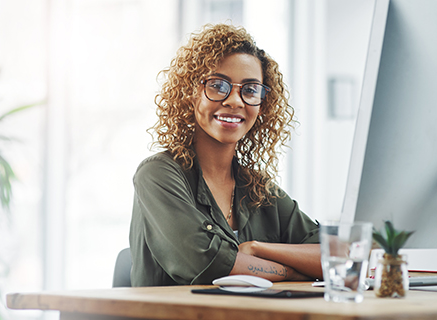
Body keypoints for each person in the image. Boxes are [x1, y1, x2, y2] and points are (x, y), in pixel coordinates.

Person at [129, 23, 322, 287]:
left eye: (251, 89)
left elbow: (337, 256)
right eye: (218, 85)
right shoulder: (157, 175)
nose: (235, 101)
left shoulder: (257, 188)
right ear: (190, 92)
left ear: (263, 105)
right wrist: (292, 272)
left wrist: (257, 249)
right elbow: (207, 265)